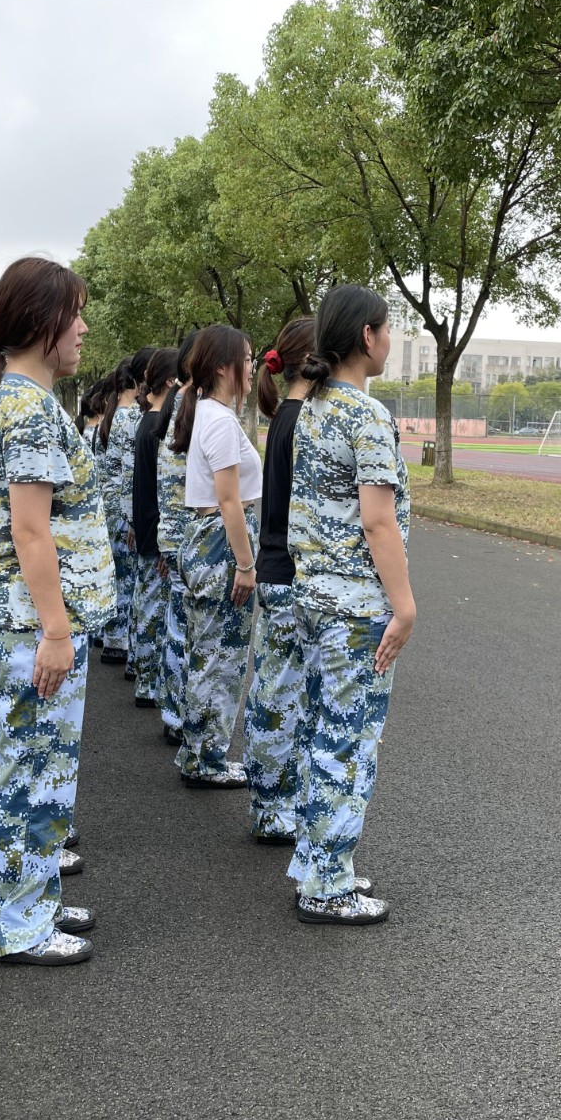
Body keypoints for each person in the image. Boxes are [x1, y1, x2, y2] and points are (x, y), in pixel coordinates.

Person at [0, 256, 112, 966]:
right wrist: (56, 628)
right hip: (31, 625)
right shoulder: (26, 408)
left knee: (39, 775)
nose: (82, 328)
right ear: (40, 322)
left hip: (32, 623)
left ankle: (33, 900)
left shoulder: (28, 401)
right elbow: (30, 530)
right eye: (72, 314)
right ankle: (17, 924)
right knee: (29, 776)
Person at [285, 286, 413, 925]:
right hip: (355, 607)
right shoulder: (364, 415)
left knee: (321, 737)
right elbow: (377, 520)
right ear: (367, 336)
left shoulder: (312, 407)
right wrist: (405, 605)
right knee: (348, 744)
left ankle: (318, 865)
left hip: (315, 598)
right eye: (387, 329)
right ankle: (327, 886)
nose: (391, 340)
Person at [171, 325, 261, 788]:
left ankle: (198, 752)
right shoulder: (220, 420)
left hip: (206, 541)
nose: (253, 367)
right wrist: (246, 564)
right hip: (221, 544)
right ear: (225, 367)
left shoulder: (207, 411)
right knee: (220, 659)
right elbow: (230, 501)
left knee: (205, 653)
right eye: (247, 358)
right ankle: (206, 759)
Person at [242, 316, 317, 844]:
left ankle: (270, 802)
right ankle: (272, 807)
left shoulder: (286, 417)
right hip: (288, 572)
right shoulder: (302, 421)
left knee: (274, 687)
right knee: (282, 695)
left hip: (275, 568)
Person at [153, 332, 199, 746]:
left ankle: (172, 711)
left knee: (177, 626)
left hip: (172, 531)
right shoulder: (195, 405)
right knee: (187, 631)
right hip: (188, 534)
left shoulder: (178, 401)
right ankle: (179, 714)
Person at [130, 347, 179, 710]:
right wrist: (164, 542)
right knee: (154, 611)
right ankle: (148, 683)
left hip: (147, 525)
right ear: (170, 381)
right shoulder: (159, 425)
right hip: (155, 529)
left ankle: (145, 676)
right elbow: (160, 490)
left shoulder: (147, 421)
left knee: (146, 604)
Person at [94, 357, 142, 670]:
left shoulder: (111, 415)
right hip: (124, 507)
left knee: (115, 574)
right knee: (128, 577)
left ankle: (109, 633)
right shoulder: (132, 416)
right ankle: (118, 639)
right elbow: (129, 471)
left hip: (110, 505)